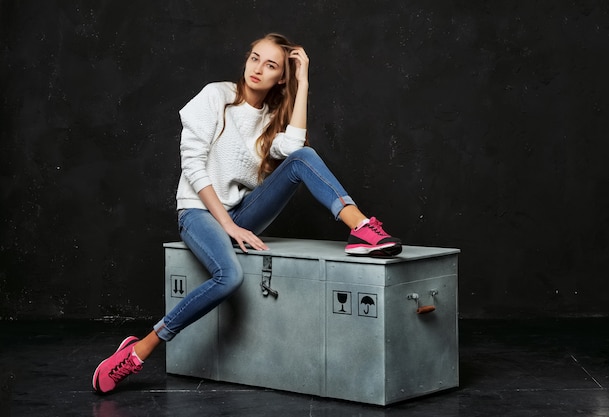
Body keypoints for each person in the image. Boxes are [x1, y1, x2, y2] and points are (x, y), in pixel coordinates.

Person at [92, 33, 401, 394]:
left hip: (241, 212)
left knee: (303, 158)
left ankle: (361, 227)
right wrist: (226, 225)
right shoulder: (216, 96)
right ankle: (140, 349)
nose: (258, 69)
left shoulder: (272, 116)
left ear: (280, 77)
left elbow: (295, 147)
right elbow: (192, 166)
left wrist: (303, 83)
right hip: (198, 212)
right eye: (255, 58)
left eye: (271, 65)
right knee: (229, 276)